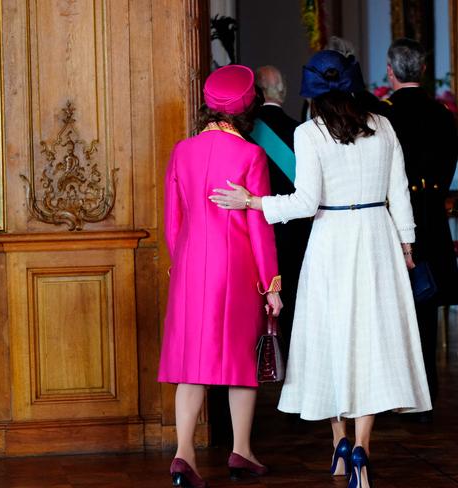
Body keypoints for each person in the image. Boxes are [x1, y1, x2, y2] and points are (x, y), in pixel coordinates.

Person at [210, 50, 431, 488]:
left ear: (312, 92)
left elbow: (305, 203)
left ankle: (338, 445)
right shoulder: (383, 126)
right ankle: (361, 450)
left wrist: (252, 202)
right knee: (372, 343)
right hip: (377, 238)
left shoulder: (310, 133)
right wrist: (407, 244)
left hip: (331, 239)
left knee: (333, 341)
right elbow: (400, 194)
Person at [158, 65, 283, 488]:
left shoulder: (182, 150)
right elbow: (258, 226)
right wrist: (271, 284)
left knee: (192, 362)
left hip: (191, 266)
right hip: (237, 265)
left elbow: (172, 222)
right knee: (239, 361)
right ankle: (241, 451)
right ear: (247, 108)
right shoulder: (251, 155)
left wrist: (184, 263)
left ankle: (183, 455)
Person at [385, 38, 458, 407]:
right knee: (426, 307)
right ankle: (425, 395)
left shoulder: (383, 115)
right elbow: (448, 168)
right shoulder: (443, 114)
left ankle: (393, 393)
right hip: (430, 215)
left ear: (390, 71)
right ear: (423, 70)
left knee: (389, 309)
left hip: (391, 219)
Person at [253, 65, 312, 360]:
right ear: (283, 92)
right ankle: (292, 361)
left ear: (257, 92)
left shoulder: (246, 132)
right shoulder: (301, 131)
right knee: (293, 298)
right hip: (295, 229)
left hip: (257, 225)